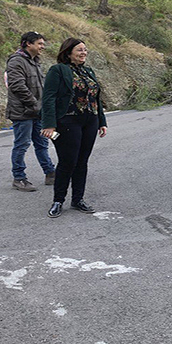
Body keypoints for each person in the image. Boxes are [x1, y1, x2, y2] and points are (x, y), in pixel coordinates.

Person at [40, 38, 108, 218]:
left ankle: (78, 199)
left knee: (82, 161)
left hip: (89, 121)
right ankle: (58, 200)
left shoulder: (88, 71)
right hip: (68, 121)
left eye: (85, 50)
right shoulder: (58, 70)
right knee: (68, 161)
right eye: (79, 50)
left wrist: (102, 121)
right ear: (68, 52)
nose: (84, 53)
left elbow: (96, 98)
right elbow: (49, 97)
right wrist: (49, 124)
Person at [5, 31, 56, 192]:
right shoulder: (16, 61)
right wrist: (35, 105)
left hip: (37, 111)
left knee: (42, 144)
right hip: (23, 112)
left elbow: (41, 88)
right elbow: (17, 86)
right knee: (22, 144)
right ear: (28, 44)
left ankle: (50, 173)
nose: (43, 47)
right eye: (40, 43)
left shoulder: (35, 62)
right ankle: (19, 178)